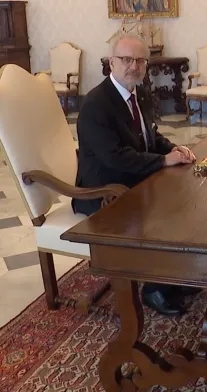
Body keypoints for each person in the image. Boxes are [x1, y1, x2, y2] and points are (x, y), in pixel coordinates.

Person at [72, 34, 197, 317]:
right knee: (161, 208)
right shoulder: (96, 105)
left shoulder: (138, 92)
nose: (134, 66)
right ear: (111, 62)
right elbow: (115, 158)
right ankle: (155, 288)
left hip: (132, 178)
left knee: (183, 194)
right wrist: (164, 161)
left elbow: (149, 135)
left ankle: (174, 276)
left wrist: (173, 149)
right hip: (104, 191)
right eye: (126, 59)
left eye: (140, 60)